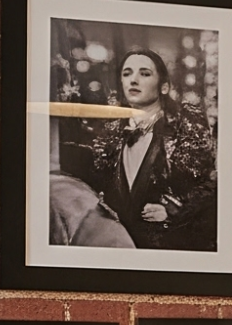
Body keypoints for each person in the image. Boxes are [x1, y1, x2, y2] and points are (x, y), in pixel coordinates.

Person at [86, 48, 217, 250]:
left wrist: (174, 210)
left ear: (164, 87)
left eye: (144, 74)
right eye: (127, 74)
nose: (133, 80)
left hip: (169, 250)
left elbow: (212, 186)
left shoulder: (184, 129)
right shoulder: (110, 132)